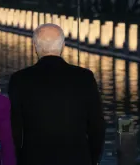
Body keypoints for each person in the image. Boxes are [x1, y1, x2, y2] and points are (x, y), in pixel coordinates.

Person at [8, 23, 105, 165]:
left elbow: (15, 129)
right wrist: (92, 159)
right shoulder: (85, 77)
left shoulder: (19, 79)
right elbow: (97, 126)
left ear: (34, 46)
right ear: (63, 46)